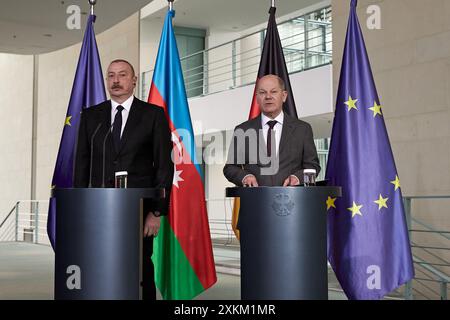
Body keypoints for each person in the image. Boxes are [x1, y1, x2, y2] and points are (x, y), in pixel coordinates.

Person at [73, 59, 174, 300]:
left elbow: (163, 166)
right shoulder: (91, 116)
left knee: (139, 266)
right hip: (99, 208)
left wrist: (157, 213)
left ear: (134, 80)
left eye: (122, 75)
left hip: (139, 209)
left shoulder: (153, 115)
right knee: (100, 263)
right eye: (111, 76)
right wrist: (80, 207)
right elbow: (81, 164)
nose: (116, 80)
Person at [223, 74, 320, 187]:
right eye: (263, 92)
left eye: (273, 92)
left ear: (284, 96)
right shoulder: (243, 130)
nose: (268, 96)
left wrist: (297, 177)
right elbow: (230, 168)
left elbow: (313, 166)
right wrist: (245, 177)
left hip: (292, 201)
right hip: (254, 201)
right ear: (257, 98)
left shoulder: (302, 129)